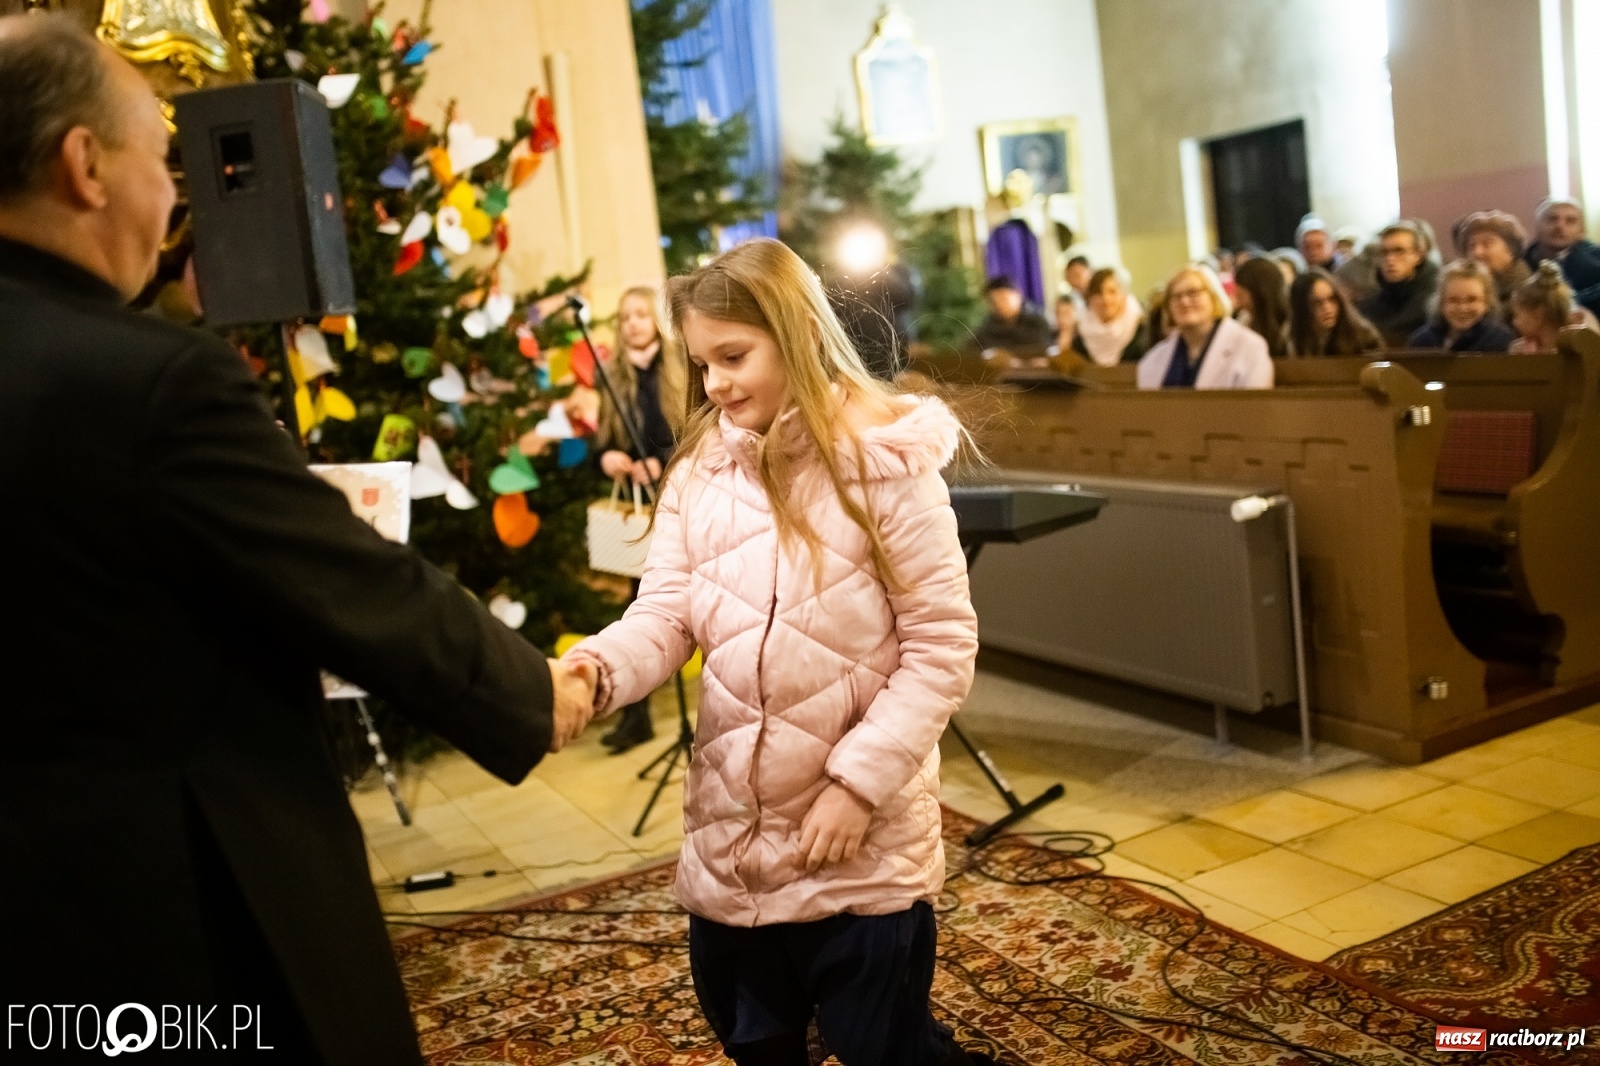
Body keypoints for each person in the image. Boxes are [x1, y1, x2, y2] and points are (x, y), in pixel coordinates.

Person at [0, 16, 596, 1064]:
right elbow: (348, 580)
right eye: (163, 159)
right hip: (172, 893)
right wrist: (531, 691)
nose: (179, 197)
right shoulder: (148, 378)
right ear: (84, 165)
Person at [561, 238, 985, 1066]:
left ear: (795, 334)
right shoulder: (698, 472)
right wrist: (594, 673)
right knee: (757, 1042)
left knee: (885, 1050)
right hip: (735, 842)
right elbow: (666, 614)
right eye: (702, 362)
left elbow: (940, 648)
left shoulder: (888, 467)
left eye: (733, 355)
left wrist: (856, 788)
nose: (715, 383)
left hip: (856, 846)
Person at [593, 286, 686, 753]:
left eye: (641, 315)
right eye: (625, 316)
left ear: (654, 321)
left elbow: (697, 433)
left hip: (680, 496)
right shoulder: (611, 376)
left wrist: (662, 460)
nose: (632, 323)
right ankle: (637, 716)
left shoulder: (680, 368)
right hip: (638, 508)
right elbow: (603, 440)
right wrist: (609, 457)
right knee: (638, 607)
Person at [1137, 265, 1273, 389]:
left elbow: (1255, 406)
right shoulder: (1154, 358)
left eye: (1193, 293)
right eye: (1176, 296)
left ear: (1214, 298)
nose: (1184, 301)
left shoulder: (1250, 346)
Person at [1357, 221, 1440, 347]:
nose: (1390, 259)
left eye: (1399, 251)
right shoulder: (1367, 308)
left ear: (1418, 255)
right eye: (1384, 252)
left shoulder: (1435, 302)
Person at [1407, 258, 1517, 352]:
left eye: (1472, 300)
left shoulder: (1500, 340)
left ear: (1487, 302)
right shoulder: (1422, 341)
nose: (1463, 308)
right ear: (1441, 303)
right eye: (1453, 300)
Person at [1524, 197, 1600, 319]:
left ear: (1581, 231)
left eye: (1570, 221)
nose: (1560, 226)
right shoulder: (1519, 265)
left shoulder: (1596, 267)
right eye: (1552, 219)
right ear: (1537, 226)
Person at [1288, 267, 1385, 356]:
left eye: (1332, 299)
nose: (1327, 308)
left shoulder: (1363, 338)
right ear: (1302, 309)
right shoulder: (1290, 342)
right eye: (1317, 303)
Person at [1455, 210, 1530, 319]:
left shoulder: (1528, 296)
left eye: (1487, 244)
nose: (1477, 252)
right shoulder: (1460, 289)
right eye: (1471, 246)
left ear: (1510, 250)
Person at [1072, 266, 1148, 365]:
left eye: (1112, 292)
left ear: (1123, 295)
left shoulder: (1142, 329)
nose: (1105, 299)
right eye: (1098, 293)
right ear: (1090, 298)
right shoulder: (1080, 337)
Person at [1509, 261, 1579, 352]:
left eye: (1517, 315)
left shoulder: (1575, 349)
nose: (1514, 322)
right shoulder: (1520, 350)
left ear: (1538, 315)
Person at [1231, 255, 1291, 358]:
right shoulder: (1245, 319)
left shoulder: (1289, 324)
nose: (1237, 299)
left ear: (1259, 291)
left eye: (1241, 293)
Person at [973, 274, 1053, 352]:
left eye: (1003, 299)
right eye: (993, 302)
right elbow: (969, 353)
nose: (999, 305)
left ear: (1018, 295)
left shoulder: (1038, 321)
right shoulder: (988, 327)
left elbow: (1045, 350)